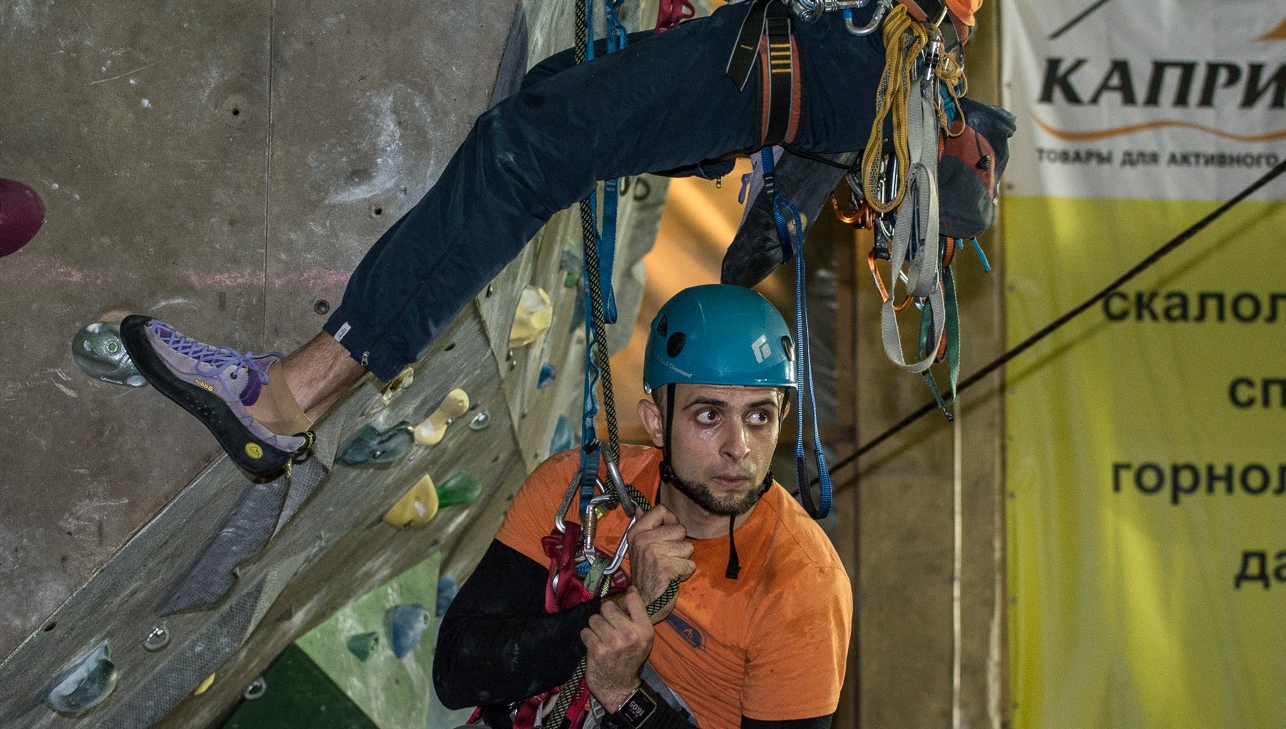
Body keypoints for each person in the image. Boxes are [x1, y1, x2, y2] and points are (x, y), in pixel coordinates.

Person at [119, 0, 980, 479]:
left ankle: (285, 399)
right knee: (557, 93)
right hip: (827, 48)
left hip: (831, 48)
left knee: (524, 155)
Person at [299, 284, 853, 729]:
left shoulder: (802, 584)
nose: (738, 447)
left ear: (783, 418)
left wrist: (623, 694)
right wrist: (615, 608)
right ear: (656, 421)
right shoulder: (577, 490)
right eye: (708, 414)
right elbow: (458, 667)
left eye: (759, 416)